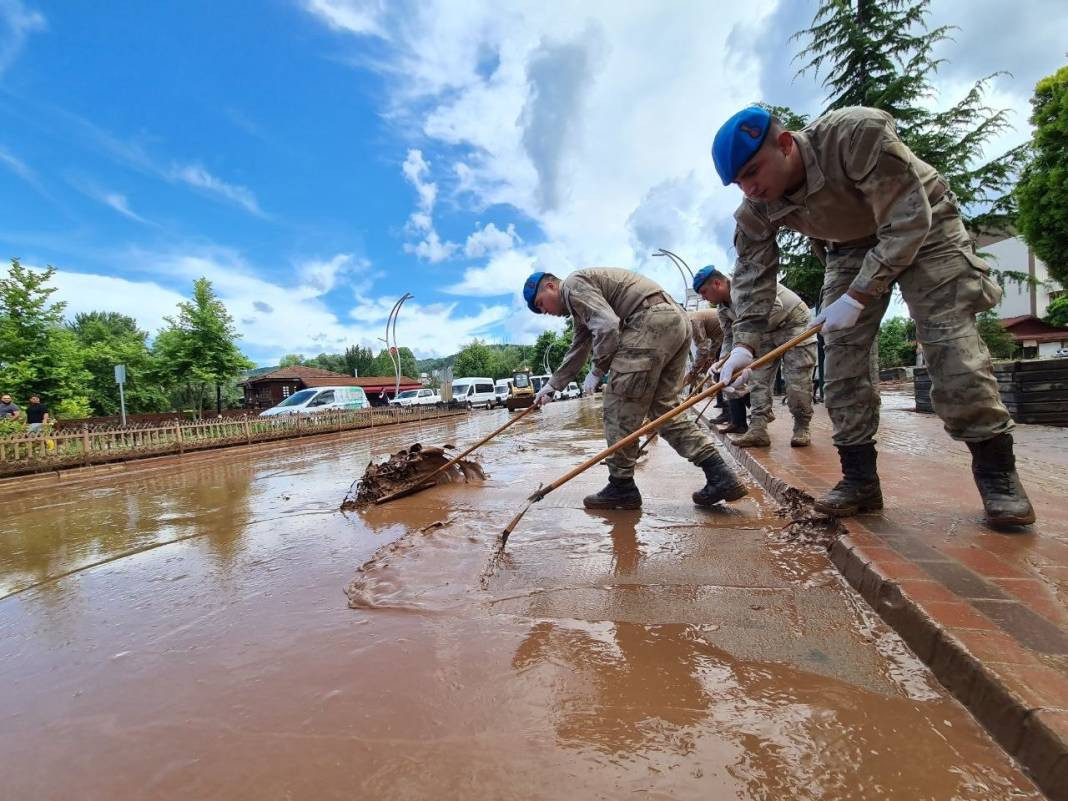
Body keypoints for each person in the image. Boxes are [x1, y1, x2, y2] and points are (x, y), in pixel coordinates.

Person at [711, 105, 1034, 526]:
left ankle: (997, 476)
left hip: (925, 225)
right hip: (848, 247)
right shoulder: (754, 211)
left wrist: (862, 293)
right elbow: (754, 279)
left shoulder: (855, 134)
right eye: (739, 182)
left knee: (949, 347)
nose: (750, 188)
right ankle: (860, 479)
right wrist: (743, 346)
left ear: (786, 144)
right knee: (841, 362)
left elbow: (907, 218)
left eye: (753, 171)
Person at [522, 268, 747, 510]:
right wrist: (552, 386)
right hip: (674, 321)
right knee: (664, 411)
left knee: (618, 406)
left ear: (551, 287)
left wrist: (599, 369)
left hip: (648, 322)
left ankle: (621, 486)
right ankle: (719, 473)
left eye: (541, 304)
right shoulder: (579, 306)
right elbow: (579, 347)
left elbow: (607, 326)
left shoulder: (573, 285)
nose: (545, 312)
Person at [692, 265, 815, 448]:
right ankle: (758, 430)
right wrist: (723, 362)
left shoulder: (748, 287)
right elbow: (730, 336)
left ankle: (801, 426)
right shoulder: (723, 310)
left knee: (797, 382)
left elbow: (774, 308)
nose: (703, 297)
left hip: (792, 324)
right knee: (757, 381)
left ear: (717, 283)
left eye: (704, 292)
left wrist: (747, 342)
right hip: (761, 334)